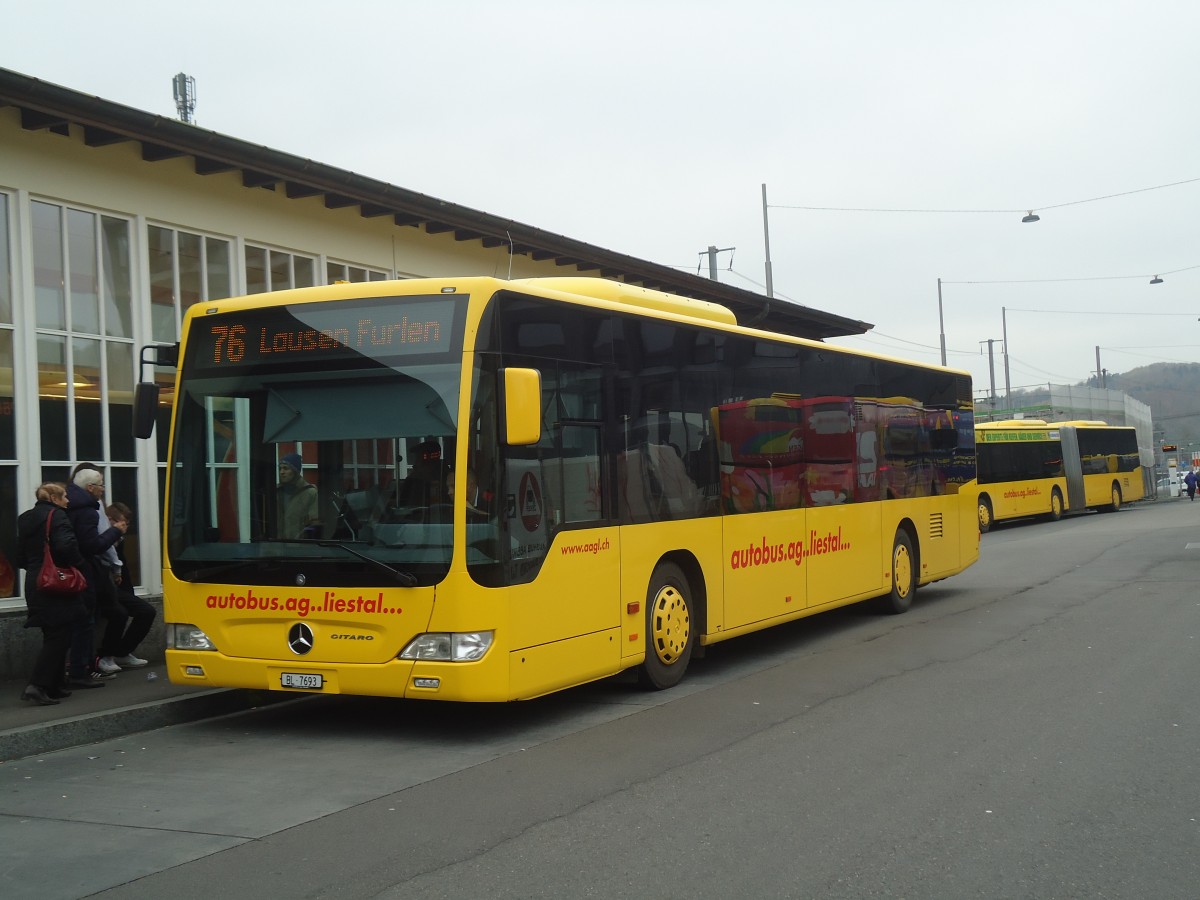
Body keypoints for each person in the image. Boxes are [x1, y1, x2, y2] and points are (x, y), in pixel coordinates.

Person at [16, 482, 89, 705]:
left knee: (54, 633)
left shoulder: (25, 518)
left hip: (36, 581)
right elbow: (66, 546)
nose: (68, 501)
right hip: (56, 582)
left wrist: (36, 568)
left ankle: (54, 685)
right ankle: (37, 686)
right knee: (60, 636)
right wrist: (79, 565)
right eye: (65, 497)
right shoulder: (57, 516)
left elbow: (19, 555)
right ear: (54, 499)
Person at [64, 467, 127, 687]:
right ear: (90, 488)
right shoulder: (88, 510)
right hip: (84, 572)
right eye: (101, 485)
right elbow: (93, 545)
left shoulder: (69, 506)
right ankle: (80, 671)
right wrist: (115, 531)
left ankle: (79, 669)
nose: (102, 490)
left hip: (70, 572)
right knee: (85, 622)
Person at [94, 501, 156, 673]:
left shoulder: (119, 538)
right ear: (110, 520)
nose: (125, 528)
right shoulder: (105, 536)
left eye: (127, 524)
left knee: (145, 612)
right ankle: (107, 655)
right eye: (122, 523)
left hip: (118, 587)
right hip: (105, 585)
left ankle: (122, 652)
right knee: (121, 613)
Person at [277, 452, 319, 538]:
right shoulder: (276, 492)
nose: (281, 472)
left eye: (285, 468)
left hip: (300, 546)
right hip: (278, 546)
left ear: (295, 471)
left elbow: (314, 523)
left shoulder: (310, 493)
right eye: (280, 468)